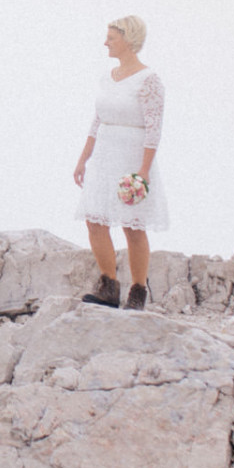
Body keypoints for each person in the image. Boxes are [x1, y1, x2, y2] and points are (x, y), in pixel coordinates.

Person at [71, 16, 170, 309]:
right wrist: (82, 159)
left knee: (132, 225)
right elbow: (97, 121)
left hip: (132, 154)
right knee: (95, 219)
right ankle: (108, 286)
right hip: (104, 153)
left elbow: (154, 127)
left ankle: (138, 293)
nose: (105, 43)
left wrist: (144, 169)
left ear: (128, 40)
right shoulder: (107, 77)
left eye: (111, 38)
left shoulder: (148, 79)